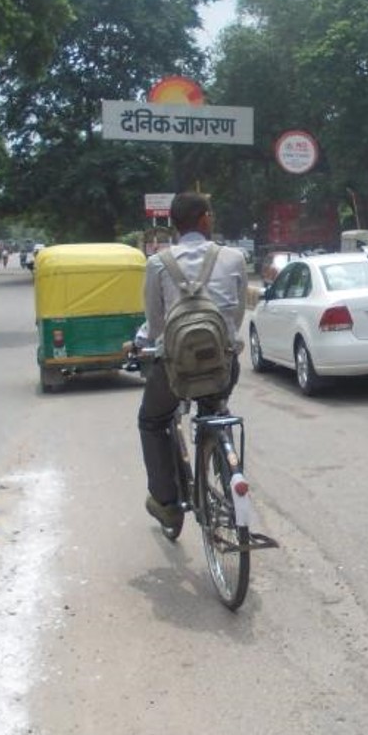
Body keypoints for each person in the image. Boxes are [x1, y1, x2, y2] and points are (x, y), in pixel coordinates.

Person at [138, 191, 248, 534]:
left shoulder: (158, 263)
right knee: (215, 409)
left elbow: (156, 327)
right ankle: (224, 466)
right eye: (210, 214)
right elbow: (238, 315)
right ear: (203, 220)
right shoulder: (234, 258)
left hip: (175, 371)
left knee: (152, 421)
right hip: (221, 366)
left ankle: (167, 503)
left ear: (173, 224)